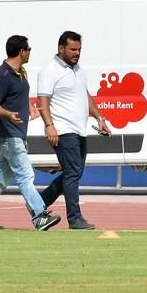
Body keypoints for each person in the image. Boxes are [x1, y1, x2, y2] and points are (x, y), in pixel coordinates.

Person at [0, 35, 61, 231]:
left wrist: (30, 107)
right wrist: (8, 115)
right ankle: (39, 215)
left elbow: (19, 95)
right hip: (10, 135)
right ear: (21, 51)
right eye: (28, 49)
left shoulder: (20, 72)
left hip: (18, 134)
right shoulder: (1, 75)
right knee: (26, 175)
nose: (30, 52)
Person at [37, 31, 111, 230]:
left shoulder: (78, 69)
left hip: (80, 130)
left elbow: (85, 95)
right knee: (72, 172)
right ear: (61, 48)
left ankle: (39, 202)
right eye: (73, 49)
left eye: (79, 49)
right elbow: (42, 100)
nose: (77, 53)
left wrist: (100, 117)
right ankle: (75, 218)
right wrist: (49, 126)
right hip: (62, 130)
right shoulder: (49, 70)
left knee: (74, 172)